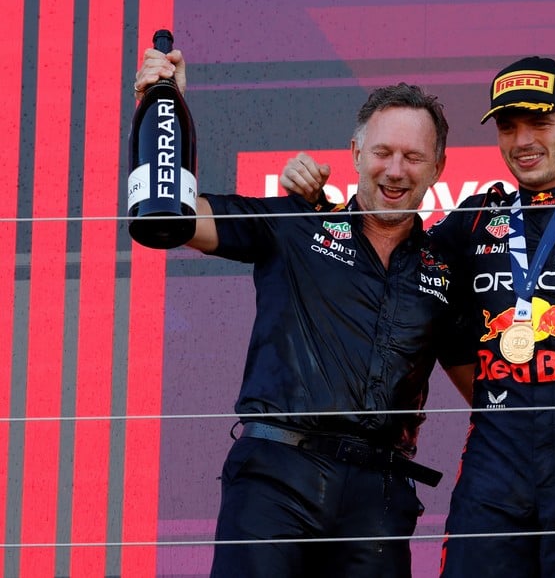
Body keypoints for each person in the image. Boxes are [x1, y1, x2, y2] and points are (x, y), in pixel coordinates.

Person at [280, 56, 555, 577]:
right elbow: (389, 265)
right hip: (495, 459)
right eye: (509, 126)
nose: (523, 139)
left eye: (539, 122)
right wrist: (316, 208)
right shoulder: (474, 220)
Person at [134, 48, 475, 578]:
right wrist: (163, 112)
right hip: (276, 478)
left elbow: (485, 391)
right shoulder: (297, 222)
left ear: (439, 167)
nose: (395, 170)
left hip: (379, 499)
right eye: (382, 152)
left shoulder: (444, 271)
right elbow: (176, 219)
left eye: (413, 157)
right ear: (356, 152)